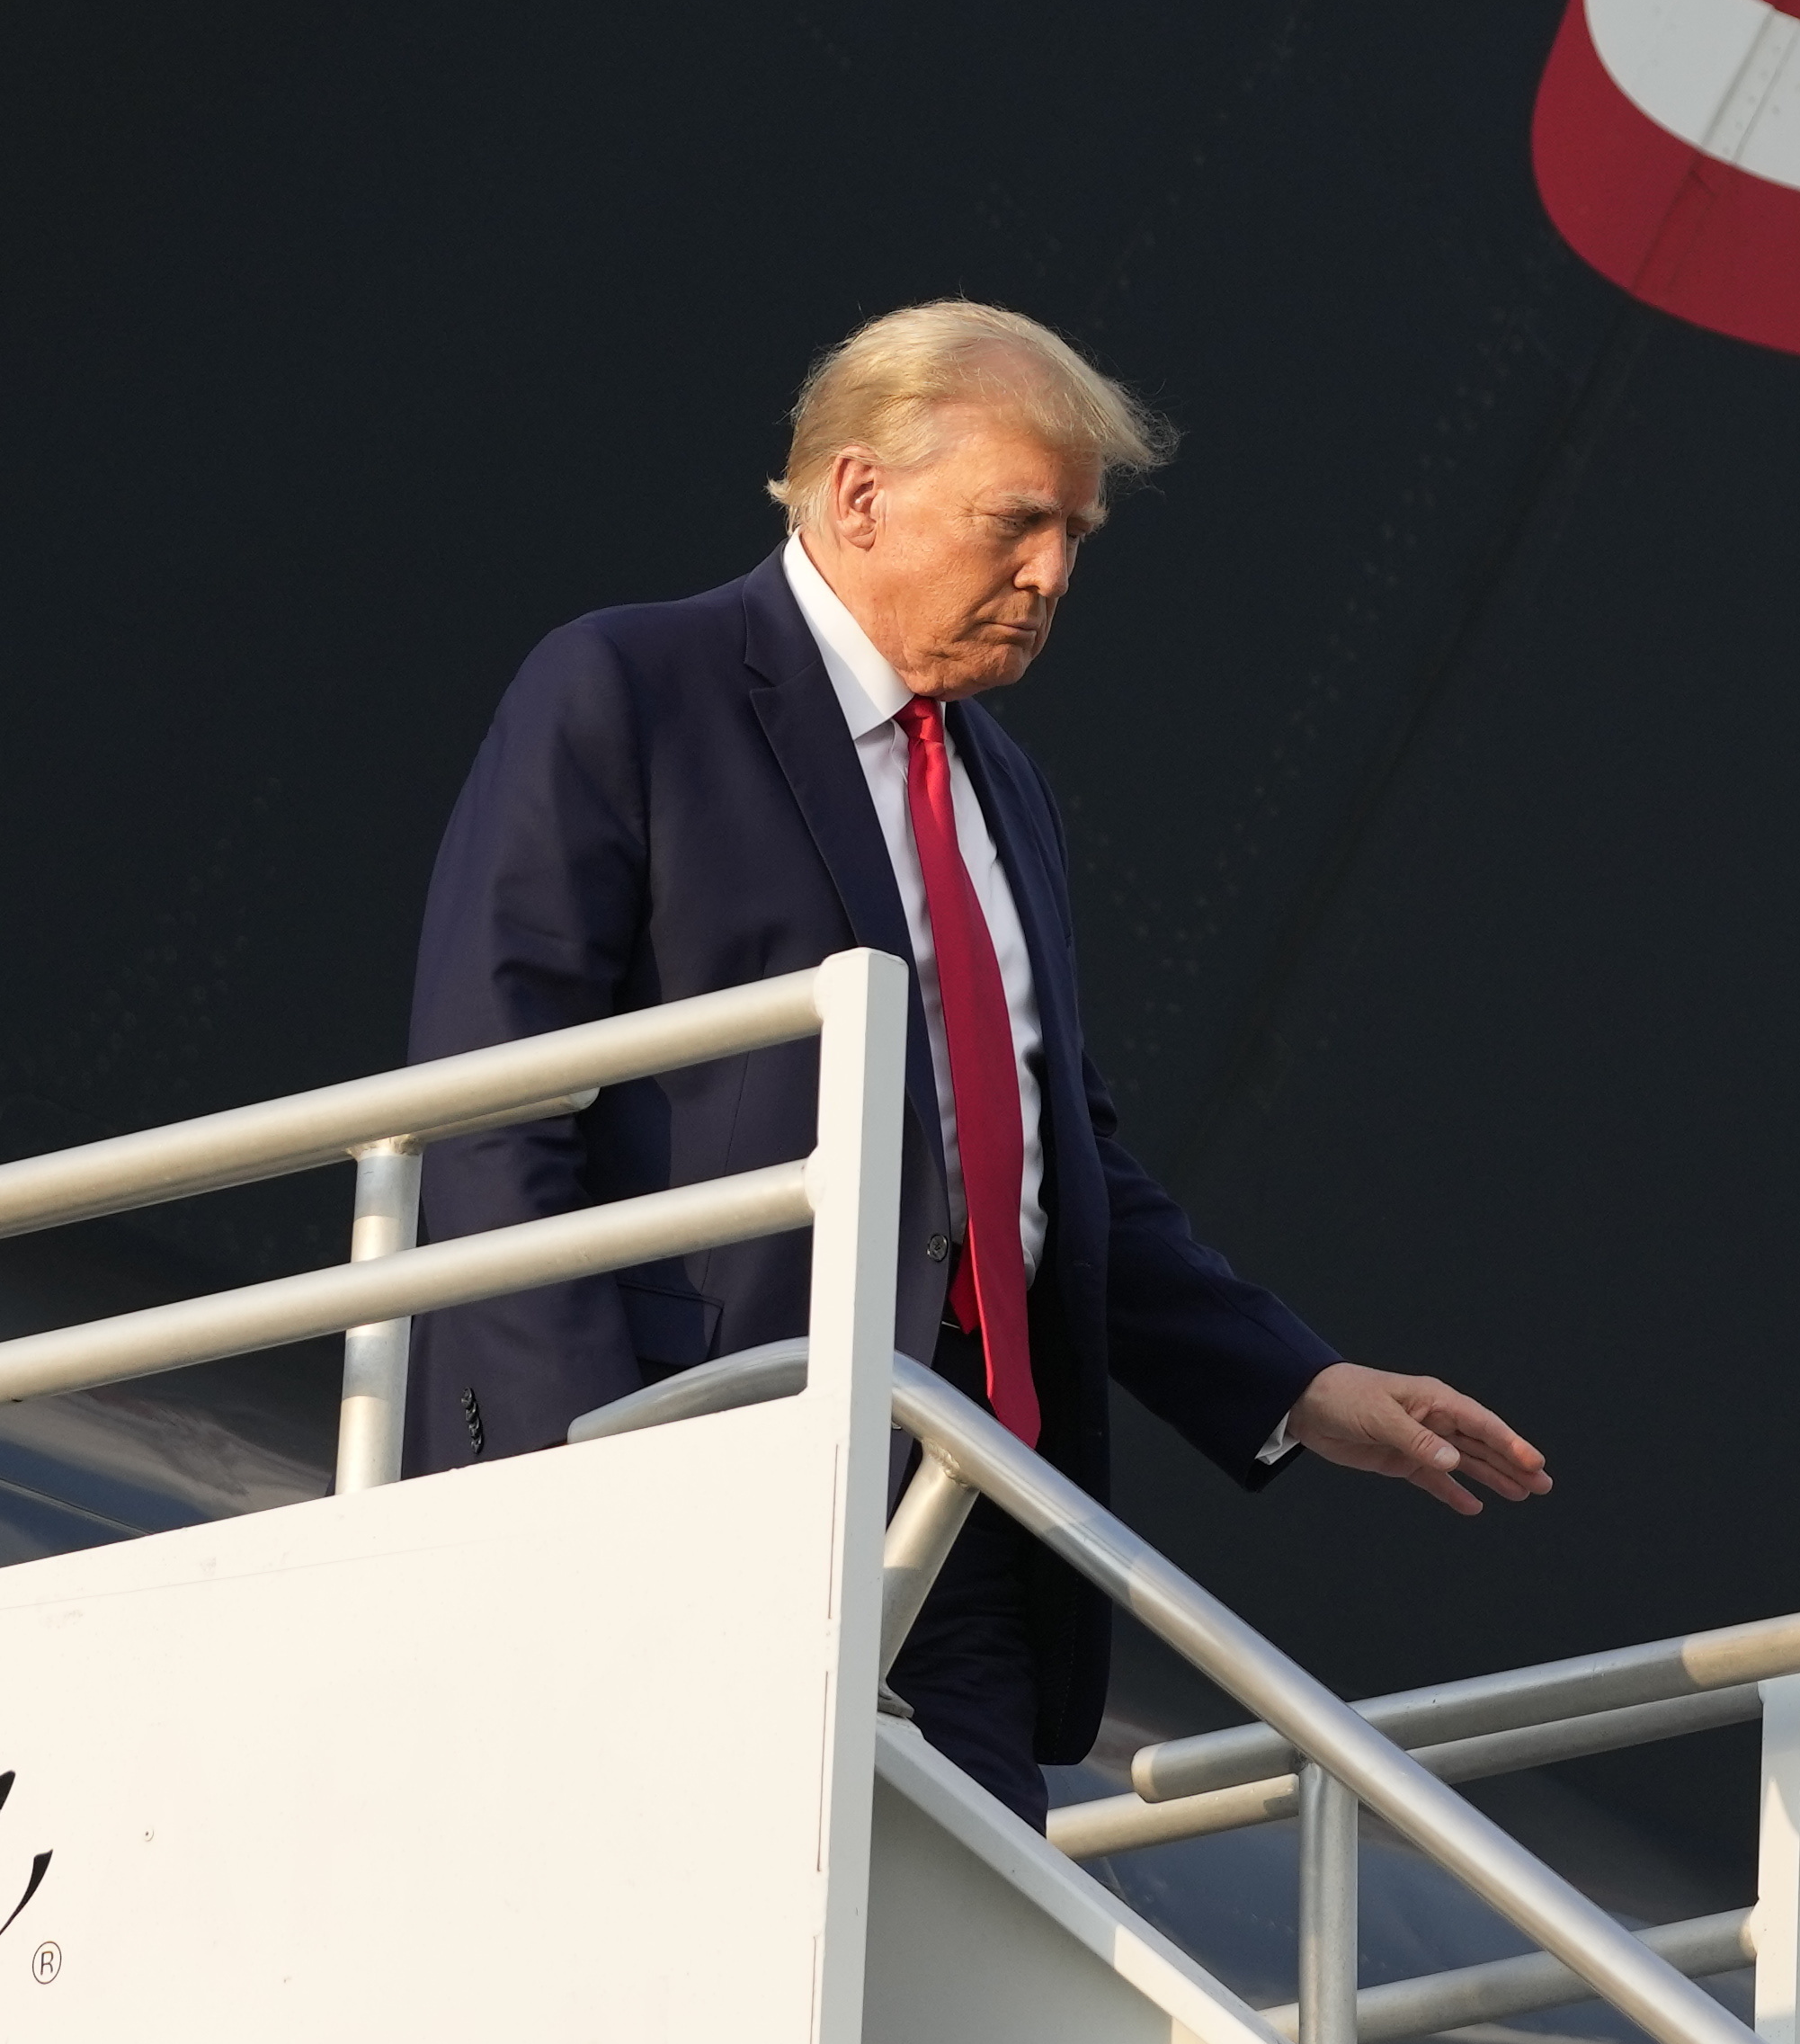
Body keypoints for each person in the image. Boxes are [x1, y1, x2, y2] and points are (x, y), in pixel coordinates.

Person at [406, 299, 1552, 1817]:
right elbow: (493, 1108)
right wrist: (596, 1476)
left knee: (926, 1987)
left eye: (1076, 536)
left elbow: (1046, 1162)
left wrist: (1295, 1382)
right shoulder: (631, 690)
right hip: (701, 1467)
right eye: (1018, 523)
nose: (1052, 575)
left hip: (971, 1509)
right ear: (860, 493)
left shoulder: (1002, 788)